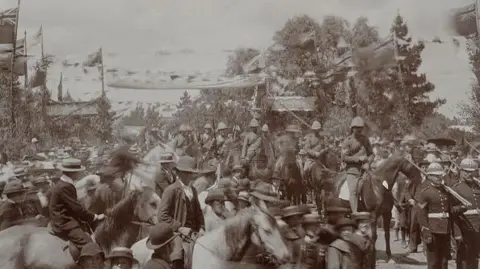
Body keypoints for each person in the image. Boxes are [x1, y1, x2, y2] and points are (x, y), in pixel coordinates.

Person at [49, 158, 104, 257]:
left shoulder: (63, 183)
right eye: (78, 172)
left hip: (64, 217)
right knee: (91, 246)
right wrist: (94, 217)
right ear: (73, 173)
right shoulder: (65, 186)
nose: (79, 174)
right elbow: (77, 208)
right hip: (64, 222)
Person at [158, 156, 205, 269]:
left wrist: (202, 227)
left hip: (194, 231)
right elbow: (162, 216)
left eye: (191, 173)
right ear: (179, 173)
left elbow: (198, 212)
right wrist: (179, 228)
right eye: (187, 173)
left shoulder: (193, 189)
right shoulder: (171, 190)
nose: (190, 176)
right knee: (177, 256)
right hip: (178, 232)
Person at [417, 162, 465, 269]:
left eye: (440, 175)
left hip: (446, 231)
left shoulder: (447, 191)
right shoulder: (425, 193)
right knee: (433, 263)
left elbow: (452, 214)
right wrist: (426, 232)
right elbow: (421, 215)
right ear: (429, 176)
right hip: (432, 231)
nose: (439, 177)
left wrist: (456, 232)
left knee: (444, 262)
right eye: (436, 175)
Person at [341, 116, 374, 214]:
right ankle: (355, 212)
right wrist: (358, 159)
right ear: (352, 128)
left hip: (366, 169)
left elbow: (371, 153)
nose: (358, 130)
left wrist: (368, 162)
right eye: (356, 127)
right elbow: (344, 157)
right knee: (353, 191)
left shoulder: (365, 140)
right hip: (353, 170)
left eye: (360, 128)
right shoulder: (348, 141)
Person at [451, 157, 480, 269]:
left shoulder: (478, 187)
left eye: (472, 172)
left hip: (477, 229)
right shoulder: (456, 189)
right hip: (464, 228)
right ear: (461, 171)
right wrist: (457, 233)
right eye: (466, 171)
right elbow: (453, 214)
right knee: (463, 259)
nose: (469, 174)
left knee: (475, 257)